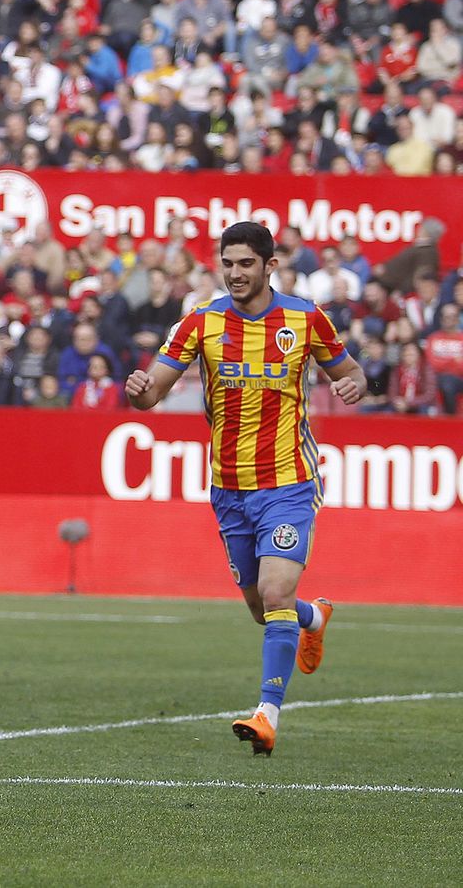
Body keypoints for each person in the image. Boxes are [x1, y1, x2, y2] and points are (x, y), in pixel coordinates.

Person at [125, 221, 367, 756]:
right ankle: (314, 616)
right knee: (264, 608)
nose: (235, 273)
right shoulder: (201, 323)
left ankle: (267, 714)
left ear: (269, 265)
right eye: (227, 263)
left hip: (288, 481)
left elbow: (351, 372)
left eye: (245, 264)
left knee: (276, 592)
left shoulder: (304, 318)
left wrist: (353, 383)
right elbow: (154, 393)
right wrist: (140, 391)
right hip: (229, 487)